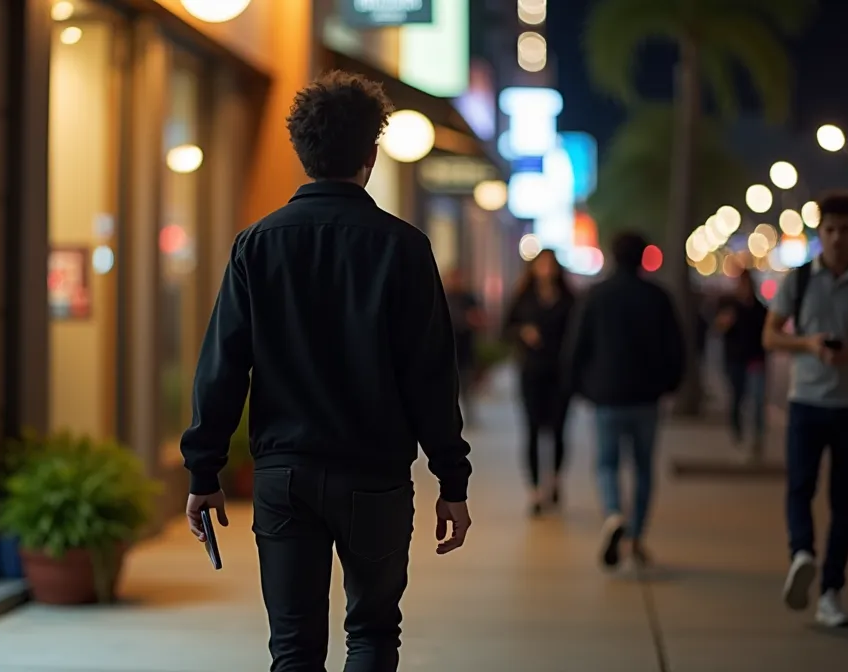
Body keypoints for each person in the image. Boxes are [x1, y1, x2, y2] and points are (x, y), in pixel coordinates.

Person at [179, 71, 473, 672]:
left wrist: (203, 468)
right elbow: (431, 376)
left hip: (285, 474)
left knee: (292, 646)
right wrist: (452, 478)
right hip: (375, 475)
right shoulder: (404, 247)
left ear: (301, 151)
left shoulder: (255, 245)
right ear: (371, 154)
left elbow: (222, 365)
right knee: (372, 632)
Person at [762, 192, 848, 628]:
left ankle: (831, 590)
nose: (838, 237)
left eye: (845, 229)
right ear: (819, 233)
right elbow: (770, 336)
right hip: (806, 401)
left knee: (845, 500)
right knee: (800, 487)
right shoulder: (799, 280)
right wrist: (807, 344)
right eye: (830, 229)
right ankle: (801, 554)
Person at [567, 232, 684, 569]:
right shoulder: (658, 297)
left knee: (607, 462)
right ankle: (635, 537)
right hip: (647, 397)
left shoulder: (595, 296)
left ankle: (614, 513)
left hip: (606, 395)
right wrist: (670, 385)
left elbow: (577, 345)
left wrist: (577, 385)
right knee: (644, 467)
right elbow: (675, 346)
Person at [504, 249, 577, 515]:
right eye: (541, 264)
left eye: (550, 264)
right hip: (532, 371)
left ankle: (555, 480)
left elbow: (578, 332)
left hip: (560, 372)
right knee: (532, 429)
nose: (545, 269)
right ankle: (535, 491)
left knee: (558, 430)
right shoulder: (523, 297)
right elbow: (506, 326)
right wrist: (523, 331)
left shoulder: (569, 299)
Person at [714, 269, 770, 460]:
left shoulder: (759, 309)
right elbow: (719, 328)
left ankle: (756, 439)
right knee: (737, 398)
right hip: (736, 361)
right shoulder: (731, 307)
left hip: (755, 361)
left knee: (757, 402)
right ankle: (738, 434)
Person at [444, 267, 487, 426]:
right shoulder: (443, 297)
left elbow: (480, 319)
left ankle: (468, 418)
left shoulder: (469, 298)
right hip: (447, 350)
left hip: (465, 349)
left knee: (467, 387)